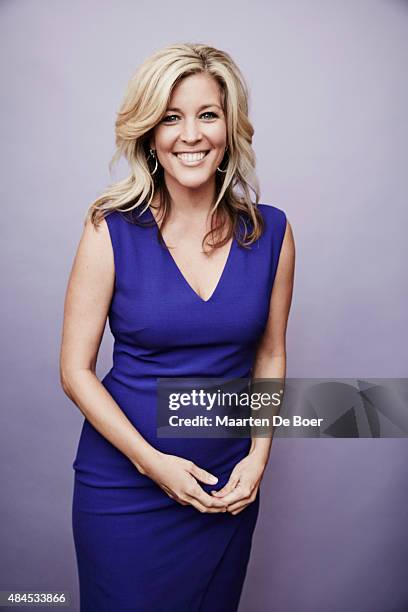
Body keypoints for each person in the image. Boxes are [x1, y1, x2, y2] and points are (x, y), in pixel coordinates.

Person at [60, 42, 295, 612]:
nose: (191, 134)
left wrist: (257, 459)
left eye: (207, 114)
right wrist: (151, 462)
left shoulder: (273, 234)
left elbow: (269, 356)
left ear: (229, 126)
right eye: (171, 116)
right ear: (149, 133)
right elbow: (74, 370)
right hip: (125, 487)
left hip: (225, 488)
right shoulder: (109, 231)